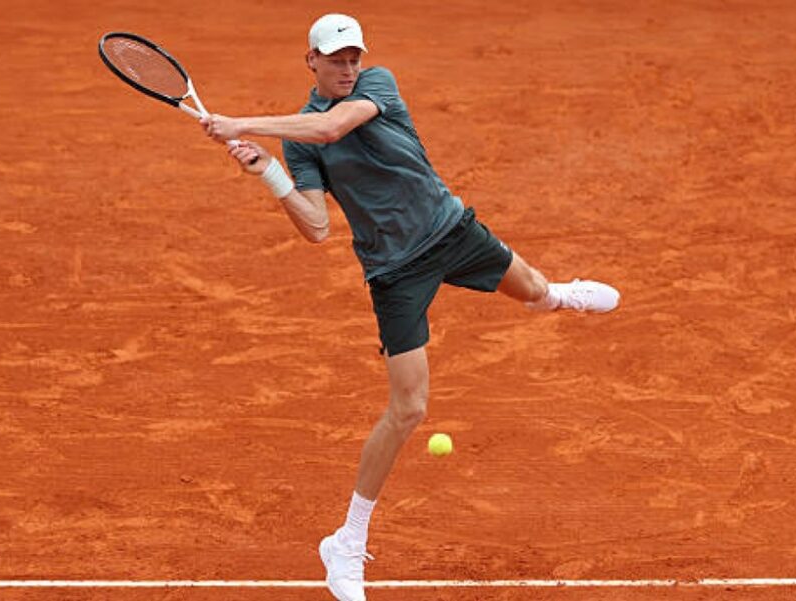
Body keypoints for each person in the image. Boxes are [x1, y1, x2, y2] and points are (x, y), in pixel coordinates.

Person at [199, 13, 620, 601]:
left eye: (353, 57)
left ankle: (556, 296)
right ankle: (345, 543)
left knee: (534, 292)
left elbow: (332, 129)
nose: (347, 67)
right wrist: (267, 171)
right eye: (335, 59)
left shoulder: (377, 86)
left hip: (449, 228)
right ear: (311, 61)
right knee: (410, 408)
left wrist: (241, 122)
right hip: (394, 271)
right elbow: (317, 226)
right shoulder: (297, 141)